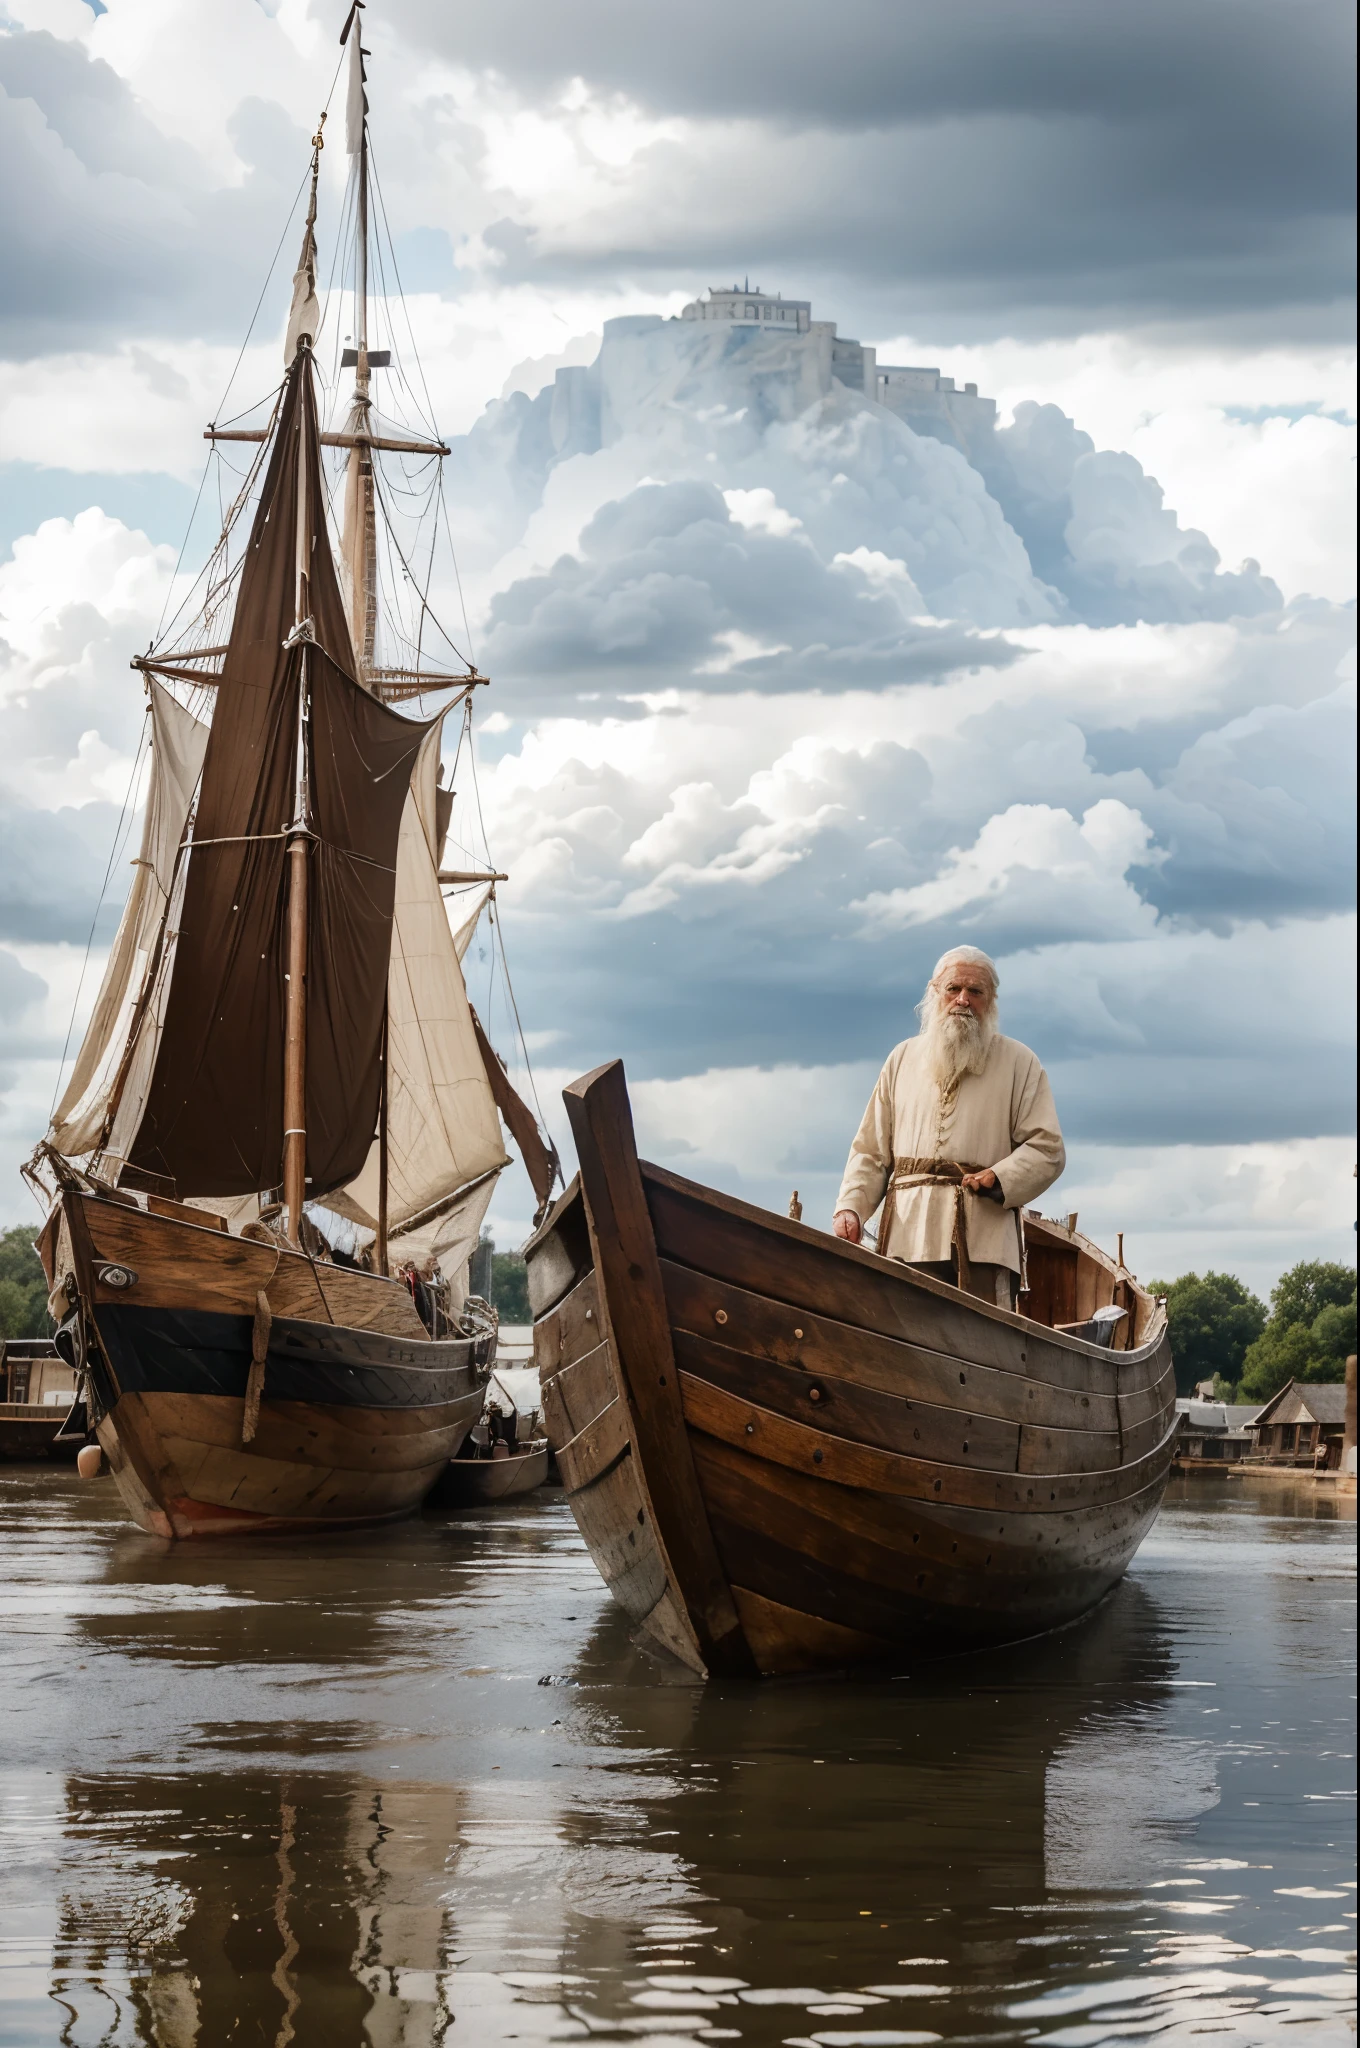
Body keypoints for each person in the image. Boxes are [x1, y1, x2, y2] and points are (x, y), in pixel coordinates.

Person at [832, 946, 1065, 1310]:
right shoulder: (901, 1059)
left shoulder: (1020, 1063)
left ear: (992, 1000)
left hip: (982, 1241)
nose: (963, 1000)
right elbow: (871, 1151)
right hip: (907, 1240)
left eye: (976, 992)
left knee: (983, 1346)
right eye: (953, 988)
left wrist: (1000, 1177)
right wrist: (851, 1207)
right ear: (934, 992)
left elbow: (1047, 1149)